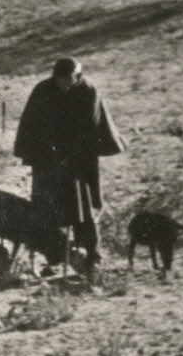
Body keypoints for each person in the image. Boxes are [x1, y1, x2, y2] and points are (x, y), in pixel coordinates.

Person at [12, 57, 127, 278]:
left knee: (82, 210)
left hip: (78, 164)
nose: (62, 85)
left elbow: (88, 129)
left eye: (67, 80)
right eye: (59, 80)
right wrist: (45, 152)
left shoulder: (88, 91)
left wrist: (67, 155)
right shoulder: (43, 90)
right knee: (48, 212)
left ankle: (93, 257)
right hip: (47, 163)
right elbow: (33, 124)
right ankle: (56, 258)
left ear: (77, 77)